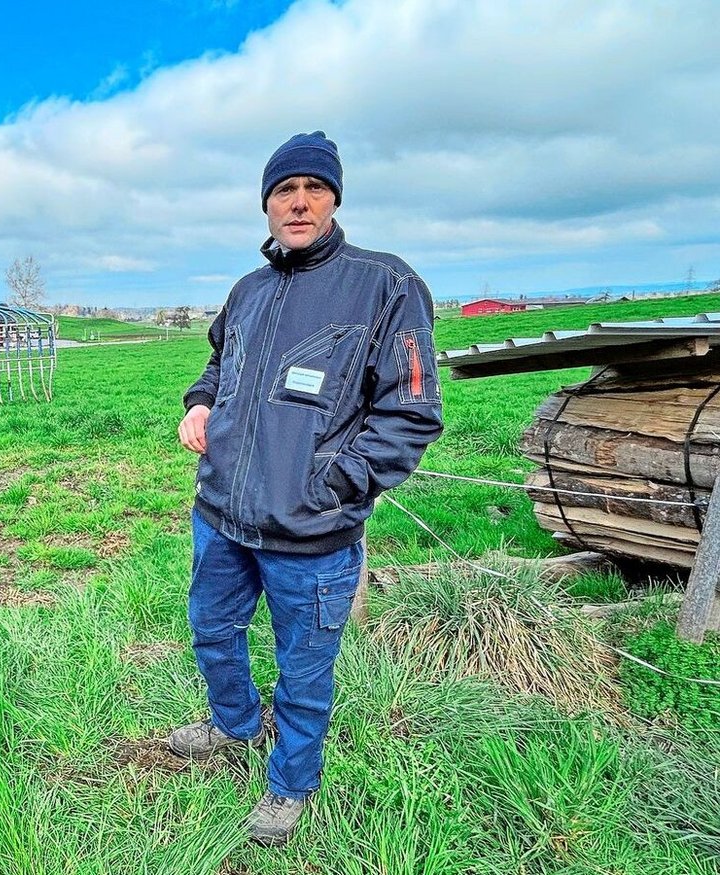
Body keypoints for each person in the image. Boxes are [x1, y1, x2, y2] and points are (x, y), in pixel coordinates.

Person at [170, 131, 443, 846]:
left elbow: (412, 413)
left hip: (312, 534)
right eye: (284, 190)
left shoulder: (386, 286)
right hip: (221, 516)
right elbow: (216, 366)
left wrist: (333, 485)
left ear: (334, 199)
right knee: (212, 630)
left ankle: (290, 783)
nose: (298, 202)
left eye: (313, 189)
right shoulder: (248, 291)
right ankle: (233, 724)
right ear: (266, 204)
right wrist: (200, 404)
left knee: (304, 669)